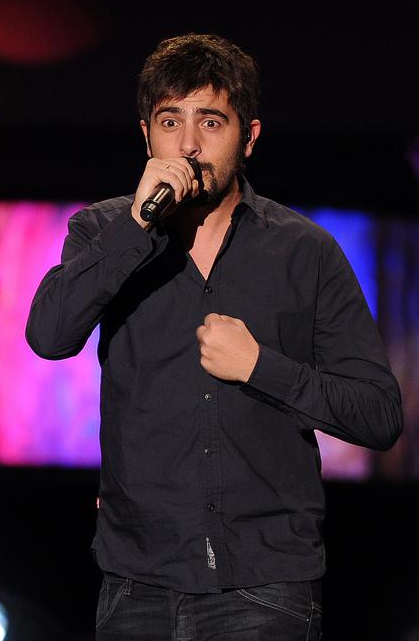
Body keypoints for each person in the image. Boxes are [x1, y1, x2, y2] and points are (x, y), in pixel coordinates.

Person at [26, 33, 402, 640]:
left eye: (211, 122)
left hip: (264, 585)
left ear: (248, 137)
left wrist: (261, 367)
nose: (189, 145)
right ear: (145, 134)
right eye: (170, 121)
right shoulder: (102, 230)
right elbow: (49, 334)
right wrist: (137, 228)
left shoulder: (304, 252)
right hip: (137, 582)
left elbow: (379, 415)